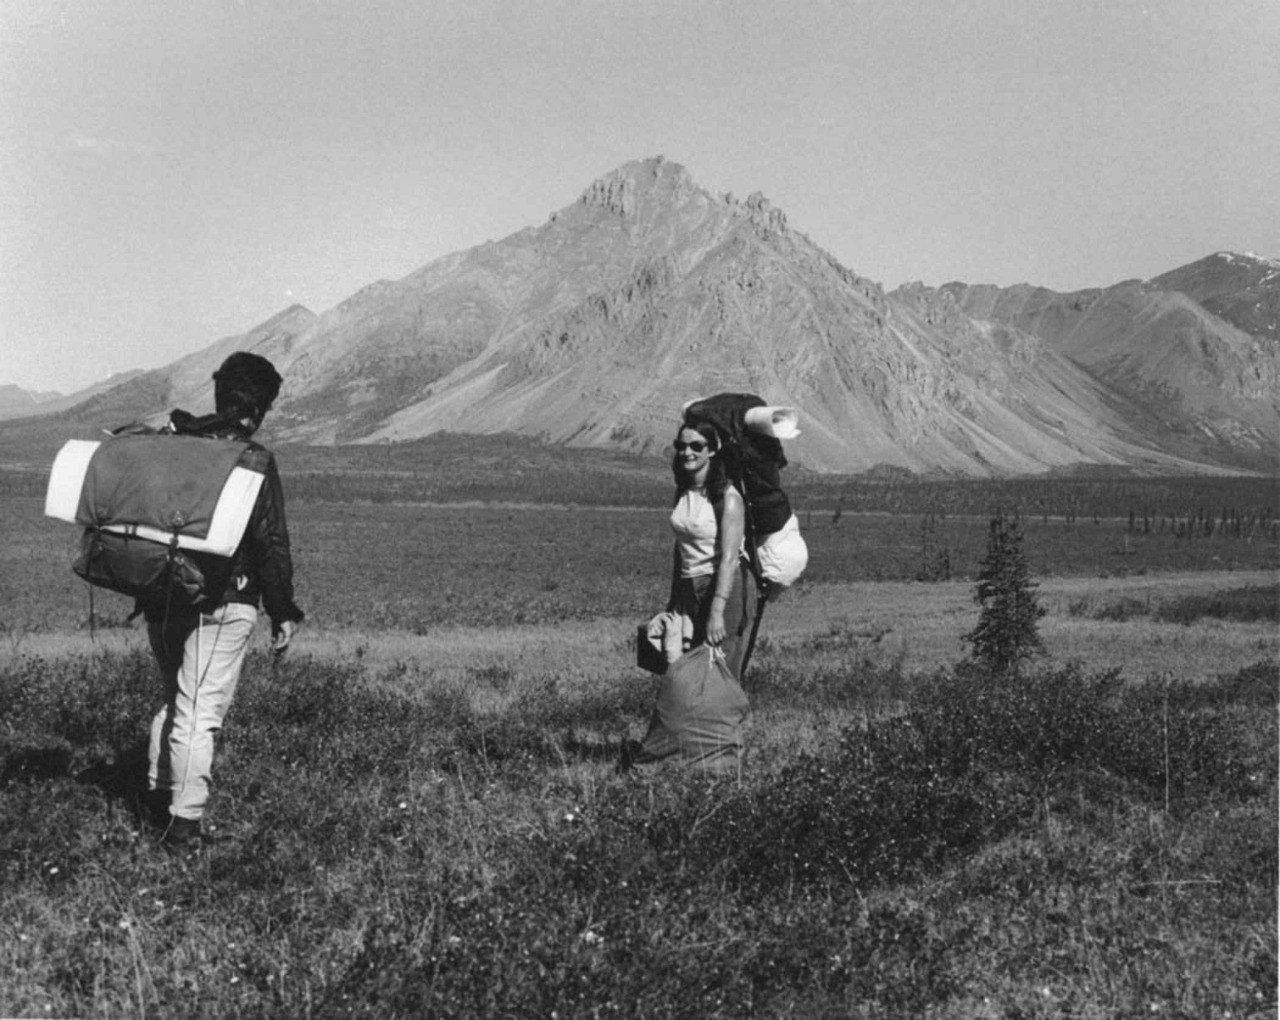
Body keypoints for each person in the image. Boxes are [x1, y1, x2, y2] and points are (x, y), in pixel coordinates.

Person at [144, 351, 304, 850]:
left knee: (175, 701)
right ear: (257, 407)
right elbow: (270, 544)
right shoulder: (252, 458)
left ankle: (158, 800)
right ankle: (183, 827)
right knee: (199, 713)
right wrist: (283, 610)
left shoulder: (177, 443)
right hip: (224, 602)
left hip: (164, 595)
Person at [664, 419, 759, 683]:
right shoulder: (684, 492)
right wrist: (675, 599)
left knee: (721, 670)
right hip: (690, 585)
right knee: (693, 668)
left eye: (696, 445)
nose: (687, 452)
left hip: (724, 586)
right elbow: (681, 547)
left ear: (713, 450)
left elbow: (729, 559)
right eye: (681, 445)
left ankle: (728, 724)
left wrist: (717, 610)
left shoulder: (728, 498)